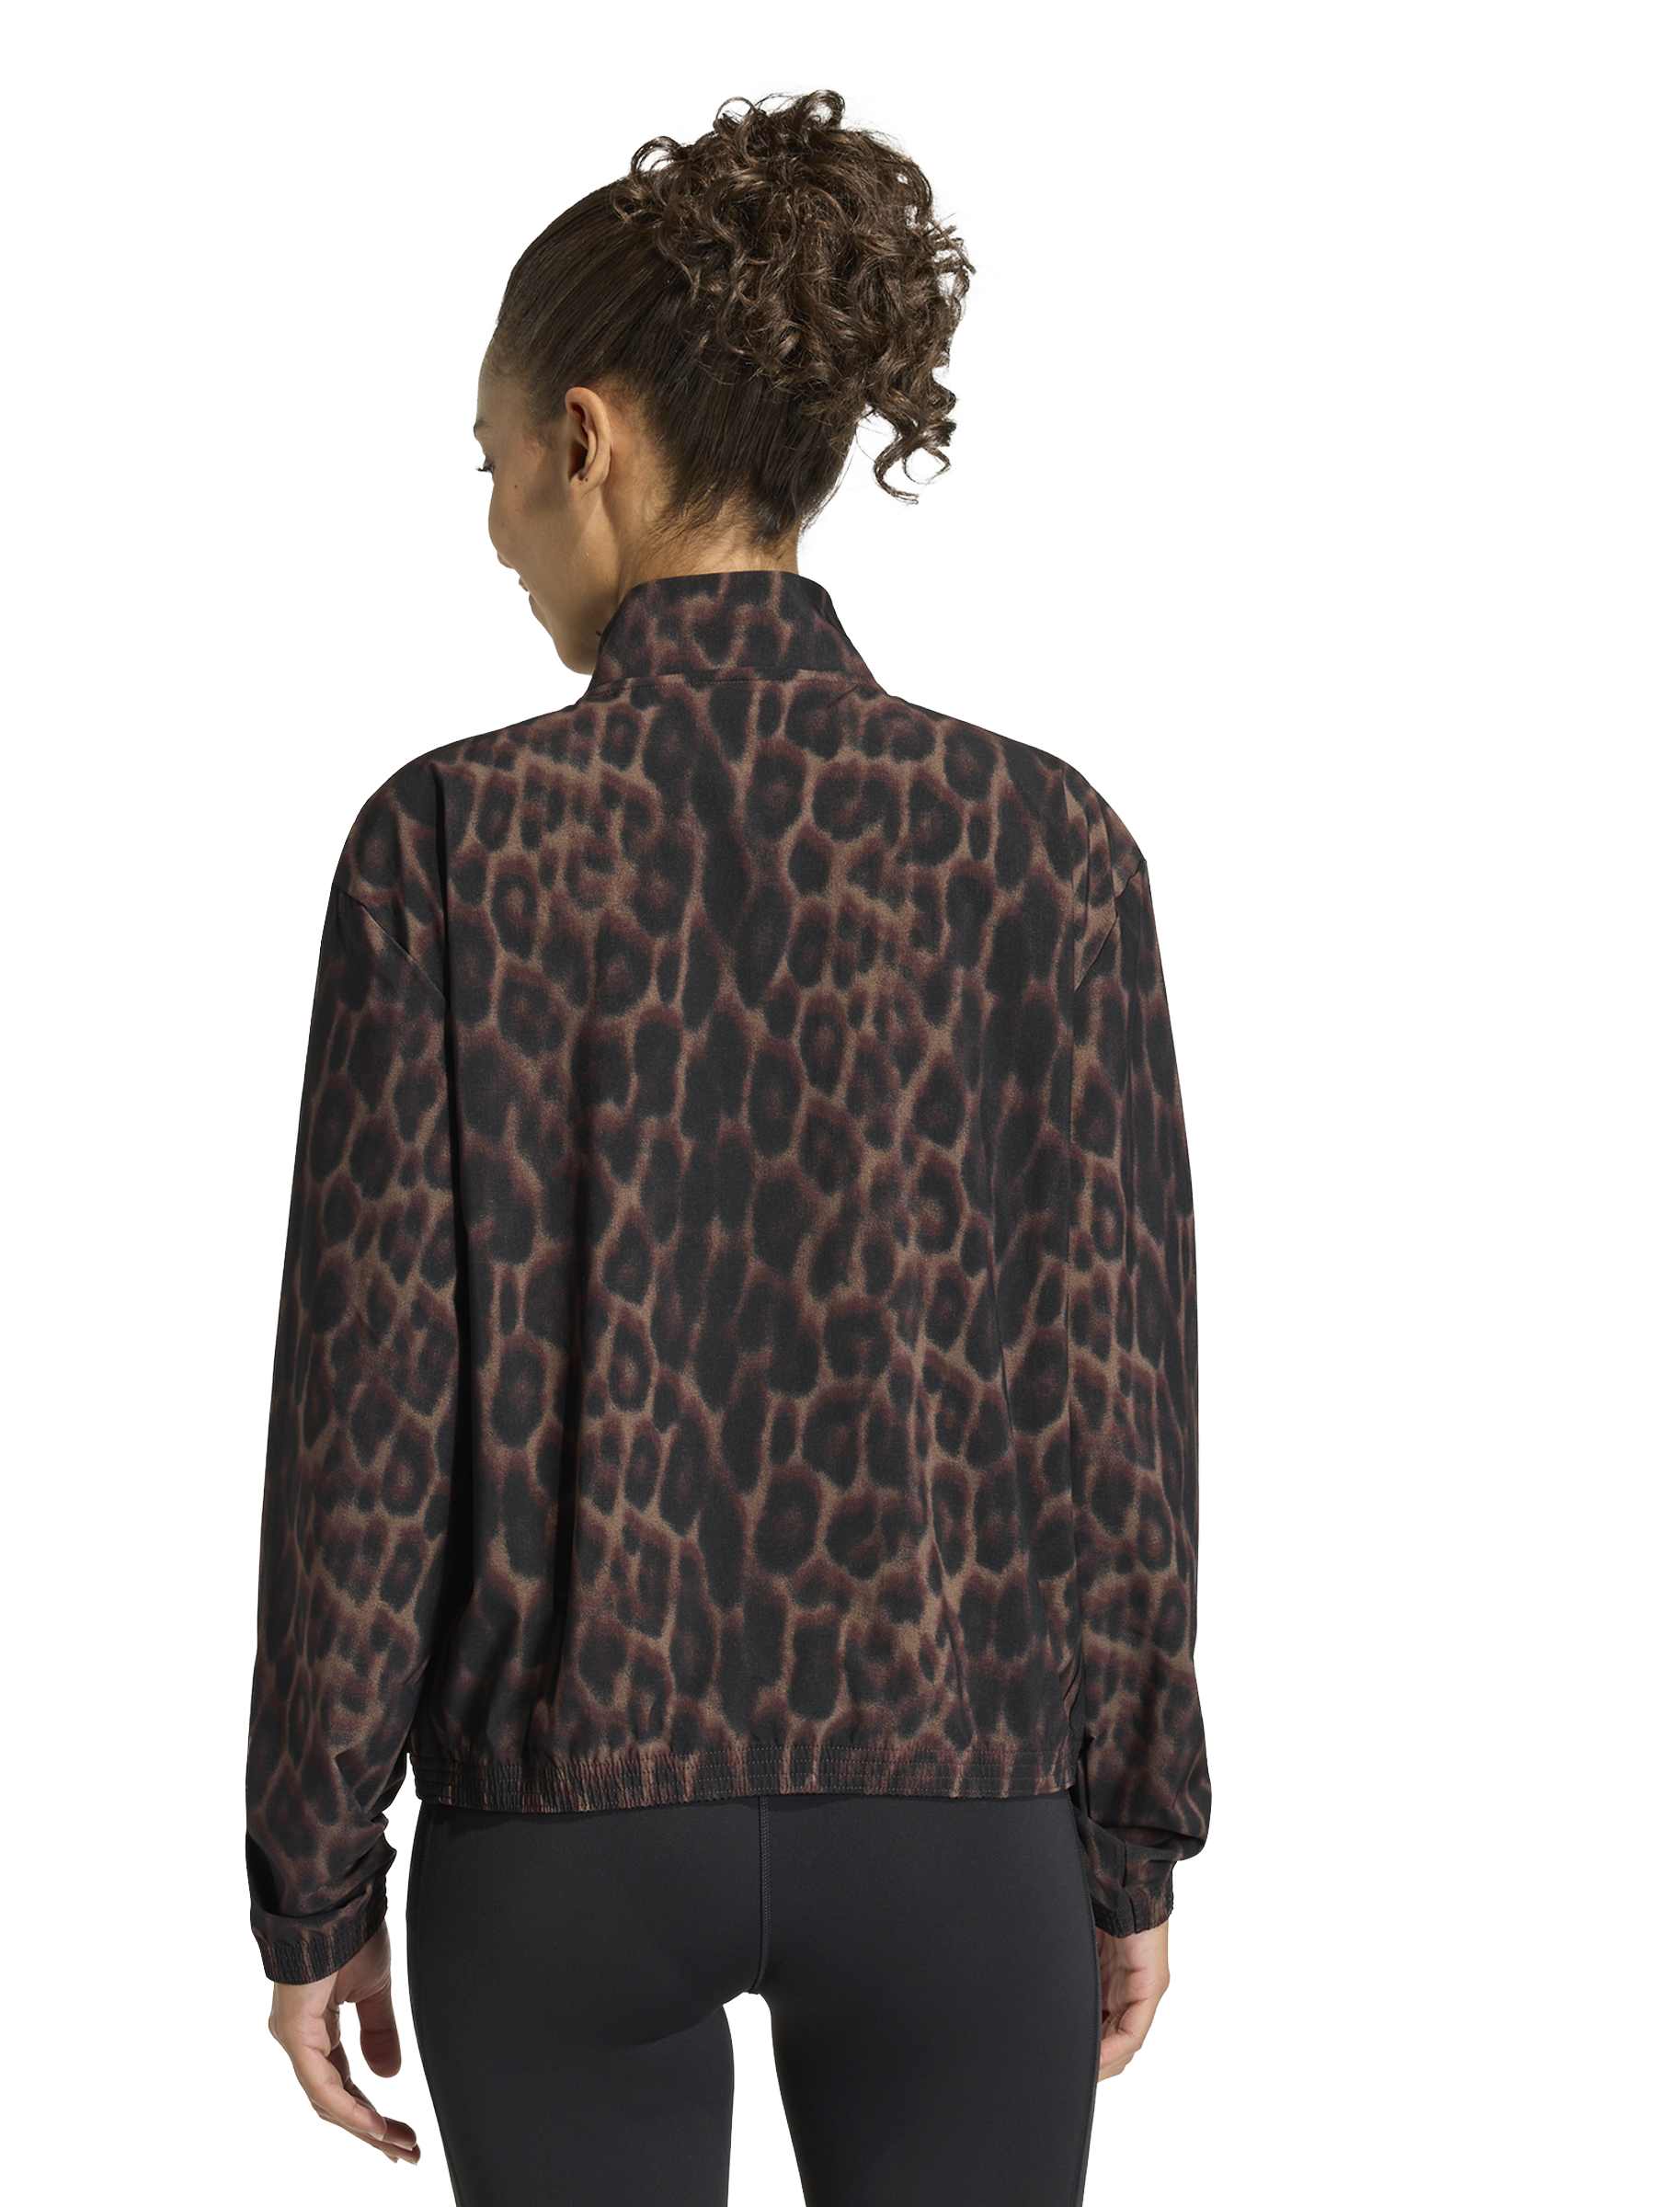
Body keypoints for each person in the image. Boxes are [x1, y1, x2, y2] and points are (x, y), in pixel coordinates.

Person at [244, 87, 1209, 2206]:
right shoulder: (1045, 846)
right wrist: (1130, 1836)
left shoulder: (450, 846)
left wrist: (313, 1881)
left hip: (561, 1836)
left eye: (496, 466)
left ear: (585, 439)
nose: (497, 527)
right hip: (962, 1820)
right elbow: (1115, 1395)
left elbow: (370, 1417)